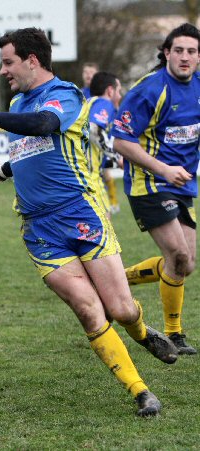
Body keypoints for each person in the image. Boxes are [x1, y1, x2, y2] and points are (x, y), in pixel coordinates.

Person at [0, 27, 178, 417]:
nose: (3, 70)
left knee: (121, 309)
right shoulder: (19, 100)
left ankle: (143, 333)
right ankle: (141, 392)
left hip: (80, 213)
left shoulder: (64, 95)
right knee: (88, 309)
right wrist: (6, 169)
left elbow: (45, 126)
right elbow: (37, 149)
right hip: (38, 228)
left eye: (8, 62)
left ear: (32, 60)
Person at [112, 23, 200, 356]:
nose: (185, 57)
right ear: (166, 53)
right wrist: (163, 168)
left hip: (181, 185)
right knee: (177, 255)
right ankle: (175, 334)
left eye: (192, 51)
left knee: (185, 264)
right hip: (149, 183)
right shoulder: (149, 89)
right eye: (178, 50)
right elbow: (121, 141)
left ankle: (117, 280)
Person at [86, 71, 123, 217]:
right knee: (104, 227)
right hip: (90, 177)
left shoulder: (88, 103)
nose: (120, 95)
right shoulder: (104, 103)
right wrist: (117, 158)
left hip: (80, 174)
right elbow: (94, 130)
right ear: (110, 90)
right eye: (119, 91)